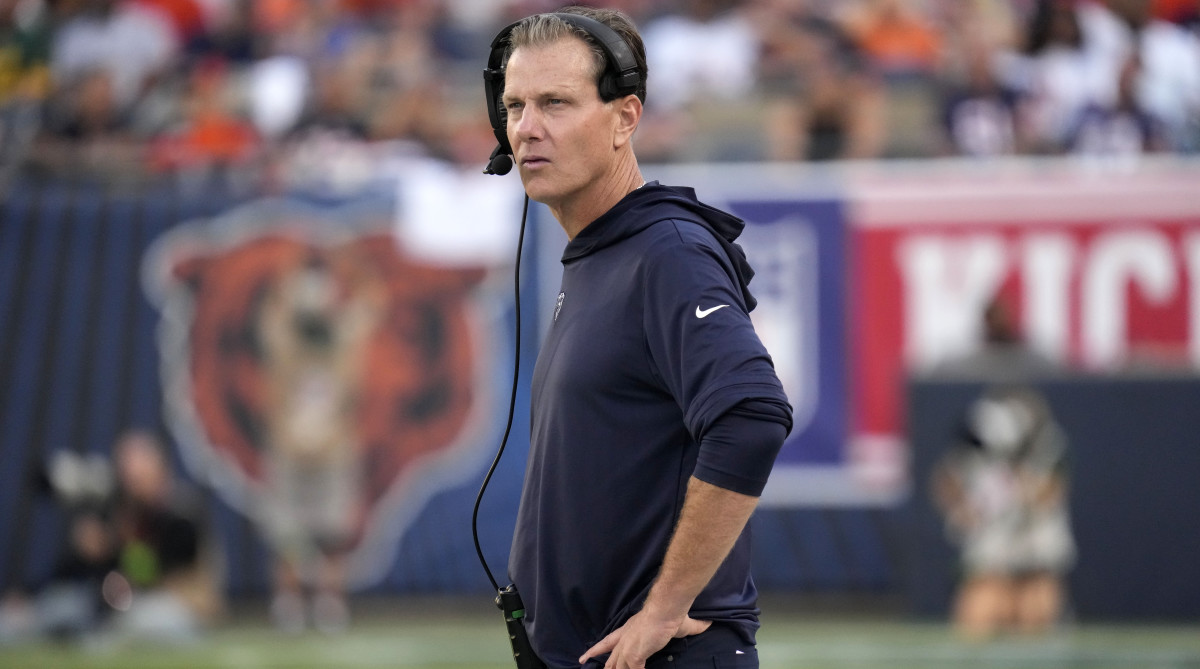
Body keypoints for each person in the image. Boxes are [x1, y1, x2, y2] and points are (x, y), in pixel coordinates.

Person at [491, 7, 793, 669]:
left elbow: (753, 415)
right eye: (514, 105)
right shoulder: (605, 252)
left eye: (556, 103)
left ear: (626, 118)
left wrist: (661, 608)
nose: (526, 129)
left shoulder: (668, 252)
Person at [930, 386, 1076, 640]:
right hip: (993, 538)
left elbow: (1049, 493)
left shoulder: (1047, 445)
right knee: (979, 617)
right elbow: (946, 479)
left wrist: (1017, 488)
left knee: (1035, 614)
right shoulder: (975, 443)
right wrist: (964, 509)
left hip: (1033, 536)